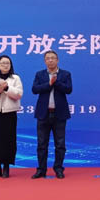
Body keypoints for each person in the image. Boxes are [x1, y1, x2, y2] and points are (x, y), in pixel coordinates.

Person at [31, 50, 72, 179]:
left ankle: (58, 169)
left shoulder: (65, 74)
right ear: (45, 61)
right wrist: (49, 84)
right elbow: (35, 89)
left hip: (59, 114)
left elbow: (68, 89)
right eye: (48, 58)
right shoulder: (40, 74)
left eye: (53, 58)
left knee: (60, 144)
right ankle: (41, 170)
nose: (50, 60)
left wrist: (56, 82)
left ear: (57, 60)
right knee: (42, 144)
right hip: (43, 114)